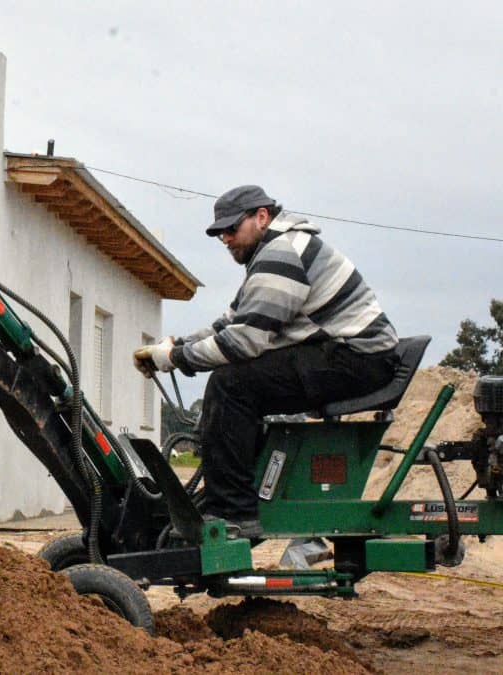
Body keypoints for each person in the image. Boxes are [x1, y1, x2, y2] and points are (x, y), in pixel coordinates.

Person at [133, 185, 399, 539]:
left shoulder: (281, 255)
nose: (226, 238)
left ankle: (233, 512)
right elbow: (229, 323)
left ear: (261, 217)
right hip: (348, 353)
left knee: (231, 385)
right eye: (220, 233)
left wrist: (177, 358)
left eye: (232, 229)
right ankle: (235, 496)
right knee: (237, 380)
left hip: (358, 357)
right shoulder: (272, 253)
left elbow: (244, 341)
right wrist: (173, 346)